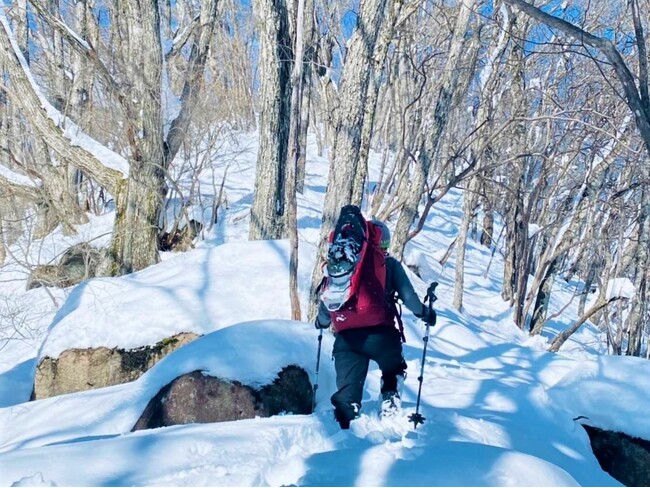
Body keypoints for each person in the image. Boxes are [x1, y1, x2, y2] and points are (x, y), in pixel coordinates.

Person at [315, 220, 437, 429]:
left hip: (346, 338)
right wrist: (425, 313)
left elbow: (329, 300)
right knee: (393, 368)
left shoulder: (343, 264)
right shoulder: (388, 264)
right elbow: (409, 297)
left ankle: (345, 423)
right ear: (383, 244)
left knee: (347, 390)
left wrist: (321, 322)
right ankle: (389, 400)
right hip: (382, 335)